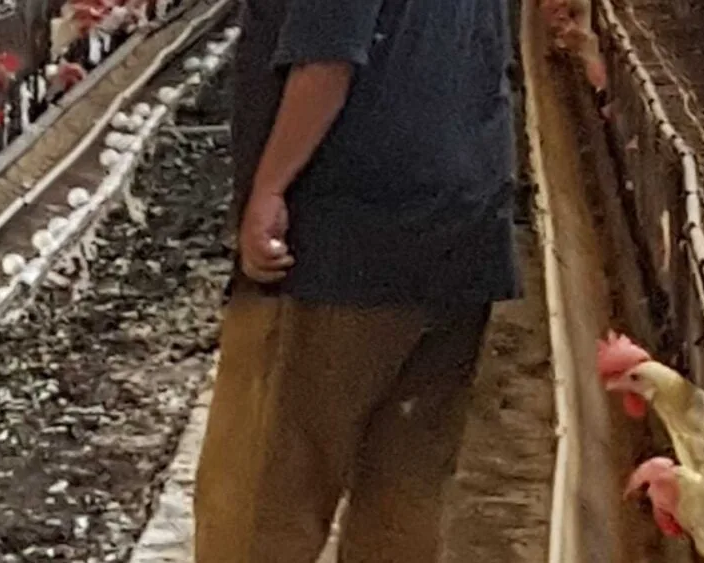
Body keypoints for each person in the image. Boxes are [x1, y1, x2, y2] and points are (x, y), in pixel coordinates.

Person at [193, 0, 519, 560]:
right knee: (403, 498)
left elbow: (327, 58)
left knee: (262, 502)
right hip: (461, 231)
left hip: (343, 244)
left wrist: (269, 189)